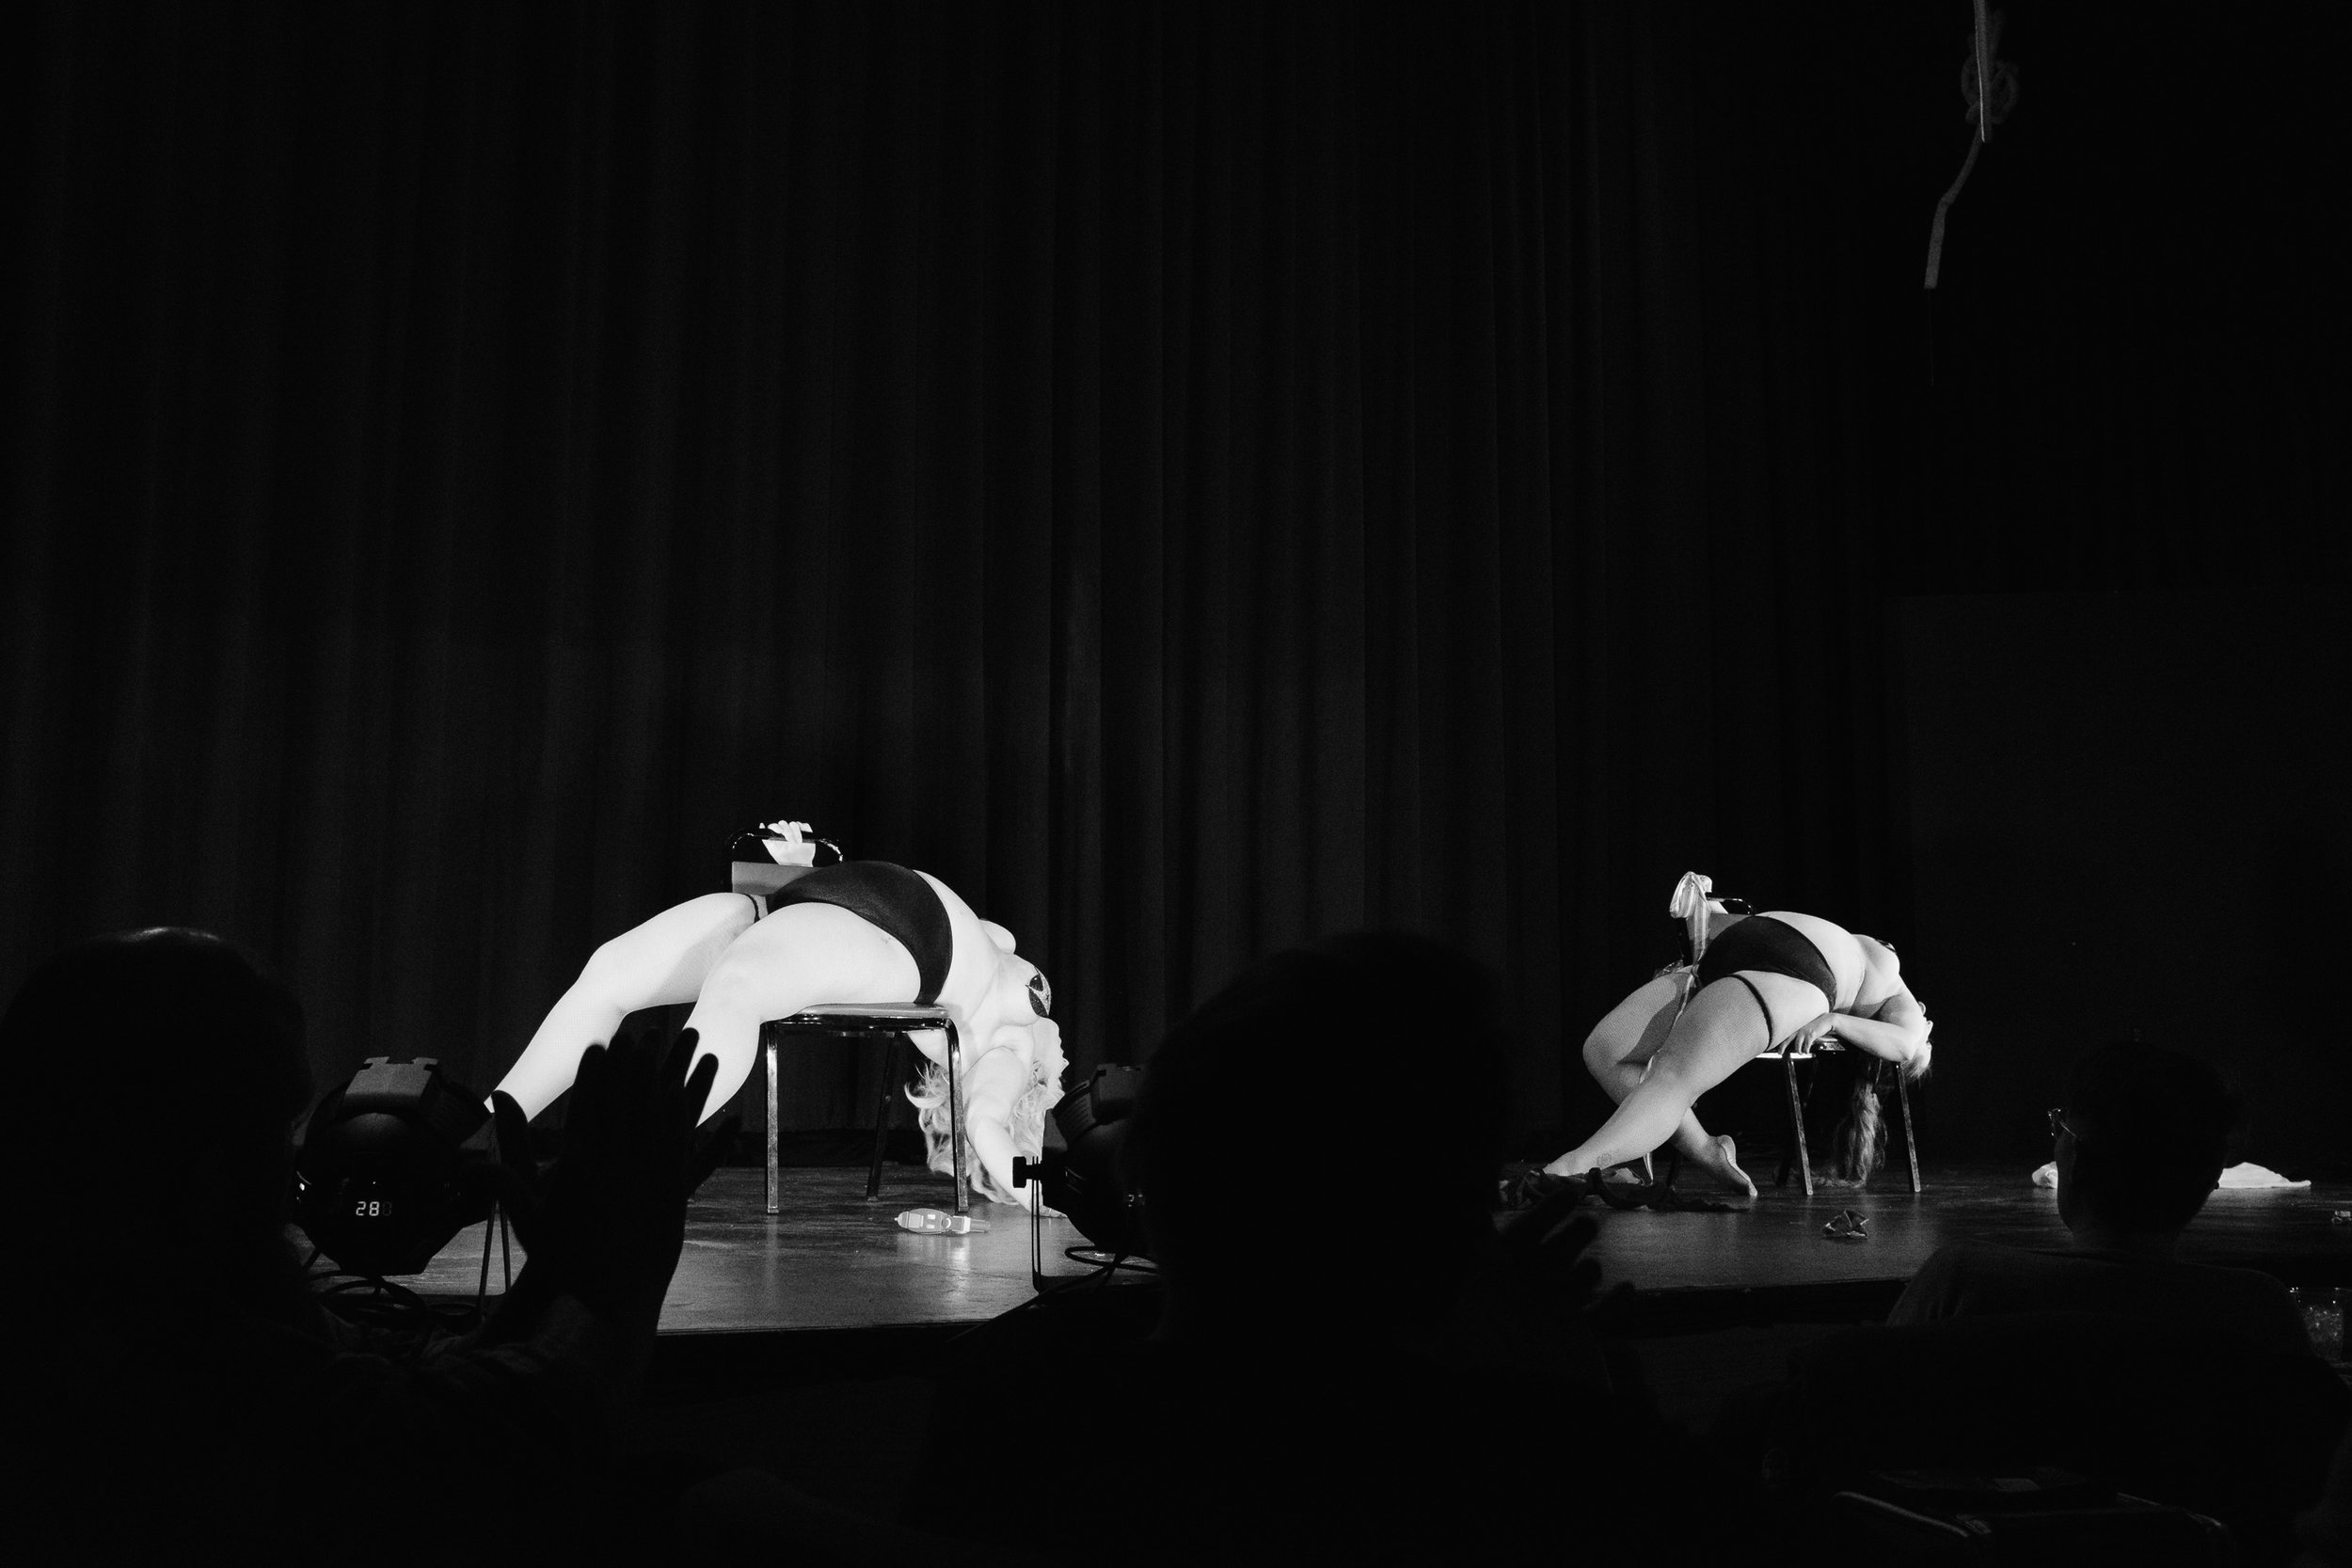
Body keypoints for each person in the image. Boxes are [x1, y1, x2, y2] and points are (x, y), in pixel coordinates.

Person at [9, 927, 720, 1563]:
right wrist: (624, 1261)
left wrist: (557, 1270)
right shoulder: (147, 1350)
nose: (285, 1168)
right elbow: (487, 1467)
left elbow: (420, 1381)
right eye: (260, 1124)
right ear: (154, 1139)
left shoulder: (164, 1286)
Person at [495, 852, 1065, 1209]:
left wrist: (1045, 1195)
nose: (1067, 1059)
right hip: (808, 899)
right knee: (611, 971)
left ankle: (615, 1171)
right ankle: (484, 1135)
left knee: (738, 988)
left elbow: (985, 1125)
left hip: (894, 940)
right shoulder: (1014, 986)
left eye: (1060, 1074)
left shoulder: (1012, 1050)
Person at [1887, 1038, 2311, 1356]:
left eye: (2061, 1128)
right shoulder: (2258, 1311)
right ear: (2211, 1178)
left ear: (2076, 1160)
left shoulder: (1962, 1283)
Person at [1549, 873, 1931, 1196]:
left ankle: (1569, 1170)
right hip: (1735, 949)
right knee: (1605, 1050)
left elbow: (1907, 1044)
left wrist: (1835, 1021)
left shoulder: (1901, 1002)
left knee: (1671, 1077)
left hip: (1796, 975)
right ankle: (1705, 1150)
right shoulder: (1880, 981)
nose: (1925, 1025)